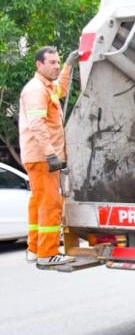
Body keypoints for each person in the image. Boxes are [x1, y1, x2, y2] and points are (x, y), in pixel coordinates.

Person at [19, 46, 78, 267]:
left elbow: (61, 89)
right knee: (51, 205)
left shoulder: (47, 87)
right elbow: (37, 124)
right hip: (43, 158)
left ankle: (35, 250)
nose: (56, 66)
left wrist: (68, 66)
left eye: (57, 62)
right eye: (52, 63)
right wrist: (51, 154)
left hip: (38, 157)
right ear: (39, 65)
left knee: (38, 202)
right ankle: (48, 253)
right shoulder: (36, 90)